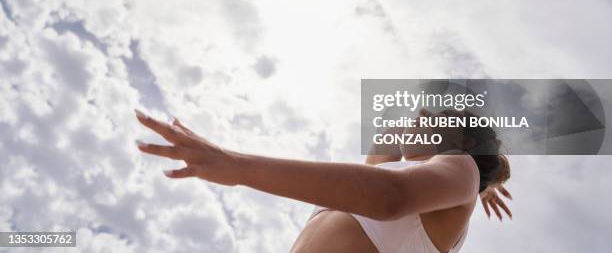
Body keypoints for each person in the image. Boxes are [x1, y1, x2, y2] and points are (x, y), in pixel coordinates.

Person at [135, 107, 511, 253]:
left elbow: (390, 197)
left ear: (460, 140)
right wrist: (487, 180)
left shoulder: (460, 166)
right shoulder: (396, 171)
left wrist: (236, 166)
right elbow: (387, 143)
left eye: (433, 116)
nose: (420, 113)